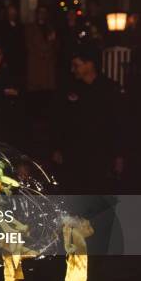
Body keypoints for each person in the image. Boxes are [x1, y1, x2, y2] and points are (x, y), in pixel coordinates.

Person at [51, 45, 124, 194]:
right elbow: (60, 121)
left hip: (101, 155)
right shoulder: (69, 88)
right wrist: (57, 148)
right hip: (74, 155)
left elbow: (118, 125)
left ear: (89, 65)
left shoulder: (110, 89)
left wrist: (119, 156)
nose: (73, 70)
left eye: (76, 65)